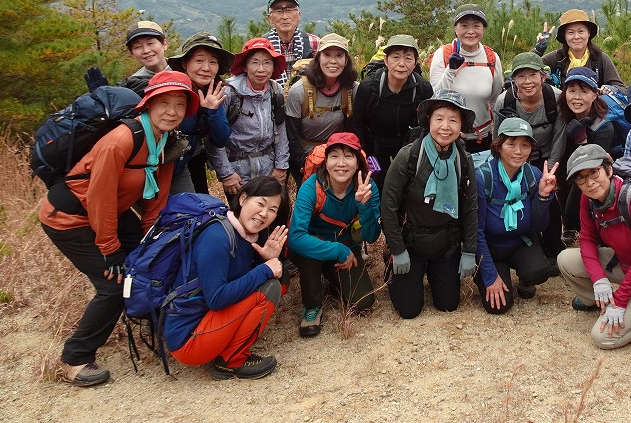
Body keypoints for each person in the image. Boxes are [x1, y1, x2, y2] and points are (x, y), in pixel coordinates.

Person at [40, 70, 198, 387]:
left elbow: (156, 200)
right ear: (148, 104)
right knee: (113, 285)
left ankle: (158, 328)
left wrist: (151, 242)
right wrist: (110, 249)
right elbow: (98, 196)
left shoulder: (168, 140)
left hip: (112, 212)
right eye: (164, 103)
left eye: (180, 104)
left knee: (149, 266)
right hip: (70, 216)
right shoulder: (121, 140)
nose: (172, 111)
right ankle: (74, 359)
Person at [165, 176, 288, 381]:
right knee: (270, 287)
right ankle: (232, 361)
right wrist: (265, 269)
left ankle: (229, 348)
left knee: (279, 281)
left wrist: (266, 259)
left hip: (207, 324)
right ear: (243, 198)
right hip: (189, 341)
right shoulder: (217, 237)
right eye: (260, 203)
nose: (264, 214)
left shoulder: (248, 235)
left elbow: (246, 280)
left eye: (272, 210)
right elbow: (217, 298)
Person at [557, 145, 631, 350]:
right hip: (625, 263)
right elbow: (587, 238)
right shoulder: (588, 198)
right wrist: (599, 280)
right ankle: (600, 302)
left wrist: (621, 300)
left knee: (602, 338)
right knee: (565, 260)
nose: (589, 182)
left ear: (608, 169)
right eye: (581, 178)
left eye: (594, 172)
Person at [380, 90, 479, 319]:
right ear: (428, 121)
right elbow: (388, 206)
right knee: (409, 310)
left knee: (448, 305)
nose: (445, 126)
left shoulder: (464, 160)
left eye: (453, 120)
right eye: (439, 118)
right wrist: (398, 250)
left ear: (461, 126)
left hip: (445, 244)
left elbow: (470, 207)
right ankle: (392, 266)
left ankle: (435, 272)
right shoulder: (409, 156)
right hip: (411, 243)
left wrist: (469, 251)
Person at [288, 132, 381, 337]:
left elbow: (372, 236)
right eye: (334, 156)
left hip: (348, 248)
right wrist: (338, 250)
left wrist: (364, 206)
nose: (341, 163)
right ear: (326, 162)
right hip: (316, 247)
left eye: (348, 156)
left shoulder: (367, 187)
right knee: (307, 251)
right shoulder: (311, 187)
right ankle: (312, 307)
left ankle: (333, 276)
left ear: (358, 163)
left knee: (363, 302)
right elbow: (295, 237)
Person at [474, 118, 556, 314]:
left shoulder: (533, 175)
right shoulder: (483, 177)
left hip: (521, 241)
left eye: (525, 145)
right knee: (499, 307)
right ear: (499, 145)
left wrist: (543, 197)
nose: (518, 151)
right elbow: (476, 231)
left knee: (539, 271)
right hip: (491, 248)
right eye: (511, 144)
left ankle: (526, 280)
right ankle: (489, 275)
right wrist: (490, 276)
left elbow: (540, 226)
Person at [545, 66, 628, 260]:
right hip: (577, 166)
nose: (577, 97)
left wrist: (582, 139)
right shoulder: (565, 113)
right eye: (572, 91)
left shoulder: (604, 125)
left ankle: (602, 245)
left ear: (595, 94)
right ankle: (589, 240)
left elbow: (596, 163)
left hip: (601, 173)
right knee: (569, 206)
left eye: (584, 91)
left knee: (574, 210)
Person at [350, 34, 433, 193]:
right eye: (396, 57)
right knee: (376, 187)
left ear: (415, 62)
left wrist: (414, 152)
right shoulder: (370, 87)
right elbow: (357, 124)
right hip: (374, 147)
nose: (401, 64)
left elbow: (426, 125)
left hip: (407, 146)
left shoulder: (422, 89)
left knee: (405, 189)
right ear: (386, 60)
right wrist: (363, 156)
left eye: (408, 58)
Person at [209, 38, 290, 196]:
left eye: (267, 63)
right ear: (245, 66)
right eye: (255, 62)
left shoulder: (275, 90)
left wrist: (281, 166)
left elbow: (281, 129)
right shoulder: (228, 92)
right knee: (241, 209)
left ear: (273, 67)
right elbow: (214, 137)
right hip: (237, 171)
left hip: (268, 166)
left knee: (270, 208)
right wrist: (226, 174)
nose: (261, 69)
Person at [285, 33, 358, 186]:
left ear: (346, 60)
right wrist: (303, 165)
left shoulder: (351, 89)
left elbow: (354, 127)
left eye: (339, 55)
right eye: (327, 54)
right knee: (311, 196)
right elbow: (292, 134)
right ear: (318, 58)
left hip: (337, 155)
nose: (333, 61)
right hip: (305, 155)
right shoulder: (299, 91)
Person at [429, 3, 503, 153]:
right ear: (455, 29)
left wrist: (498, 136)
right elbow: (434, 97)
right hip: (447, 138)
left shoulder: (491, 58)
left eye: (476, 25)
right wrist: (451, 70)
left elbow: (495, 100)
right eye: (464, 26)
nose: (470, 31)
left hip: (481, 138)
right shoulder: (443, 55)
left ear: (483, 29)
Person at [166, 32, 234, 194]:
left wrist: (212, 111)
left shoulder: (213, 92)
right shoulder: (172, 93)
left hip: (187, 165)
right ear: (184, 63)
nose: (206, 68)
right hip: (161, 169)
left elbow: (221, 139)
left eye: (213, 62)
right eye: (199, 60)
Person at [492, 51, 560, 167]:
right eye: (521, 76)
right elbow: (497, 139)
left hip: (545, 158)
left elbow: (559, 137)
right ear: (514, 80)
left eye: (533, 75)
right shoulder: (504, 101)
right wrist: (501, 167)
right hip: (513, 159)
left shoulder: (556, 98)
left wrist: (550, 167)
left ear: (543, 77)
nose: (528, 81)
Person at [535, 9, 625, 93]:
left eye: (581, 31)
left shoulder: (600, 59)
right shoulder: (557, 58)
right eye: (571, 32)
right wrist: (538, 50)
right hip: (561, 105)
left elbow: (621, 88)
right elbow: (527, 70)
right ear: (564, 35)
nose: (576, 37)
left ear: (589, 33)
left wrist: (611, 89)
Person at [261, 0, 319, 88]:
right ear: (270, 18)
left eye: (289, 10)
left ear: (299, 15)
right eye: (278, 11)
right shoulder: (262, 46)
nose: (285, 17)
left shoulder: (313, 43)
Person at [119, 20, 170, 94]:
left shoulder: (184, 70)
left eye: (150, 43)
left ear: (164, 44)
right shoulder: (133, 85)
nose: (146, 51)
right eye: (138, 47)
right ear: (131, 52)